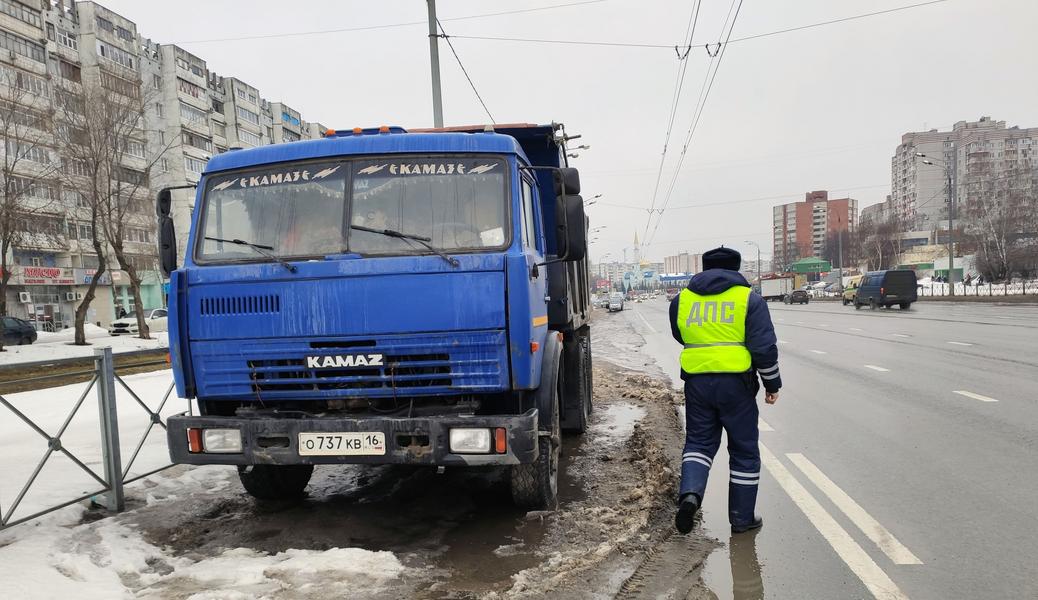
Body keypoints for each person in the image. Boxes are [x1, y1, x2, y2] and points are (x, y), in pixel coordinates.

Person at [668, 246, 781, 534]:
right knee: (744, 452)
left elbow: (681, 335)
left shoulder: (682, 300)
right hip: (737, 387)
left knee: (698, 444)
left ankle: (690, 496)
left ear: (704, 268)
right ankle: (742, 520)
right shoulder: (749, 300)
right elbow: (763, 349)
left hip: (697, 384)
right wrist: (772, 384)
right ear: (736, 268)